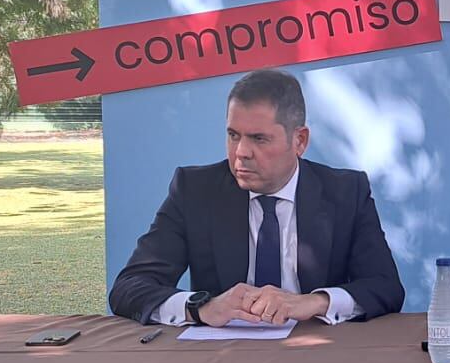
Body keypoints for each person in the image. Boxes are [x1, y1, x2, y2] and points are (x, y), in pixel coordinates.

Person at [108, 68, 406, 326]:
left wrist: (314, 303)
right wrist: (201, 307)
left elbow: (386, 288)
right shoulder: (195, 190)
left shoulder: (345, 192)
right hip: (220, 360)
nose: (241, 152)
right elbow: (128, 288)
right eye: (233, 135)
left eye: (258, 138)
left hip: (317, 357)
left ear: (299, 140)